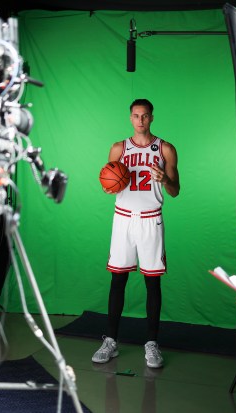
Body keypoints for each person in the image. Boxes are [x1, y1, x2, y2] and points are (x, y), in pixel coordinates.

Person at [92, 98, 180, 369]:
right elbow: (110, 184)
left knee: (152, 283)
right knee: (117, 280)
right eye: (135, 116)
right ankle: (111, 341)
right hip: (123, 220)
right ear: (130, 118)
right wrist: (111, 183)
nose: (140, 120)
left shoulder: (165, 149)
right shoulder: (119, 148)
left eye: (145, 116)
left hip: (151, 220)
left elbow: (176, 190)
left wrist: (164, 179)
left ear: (152, 117)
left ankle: (152, 344)